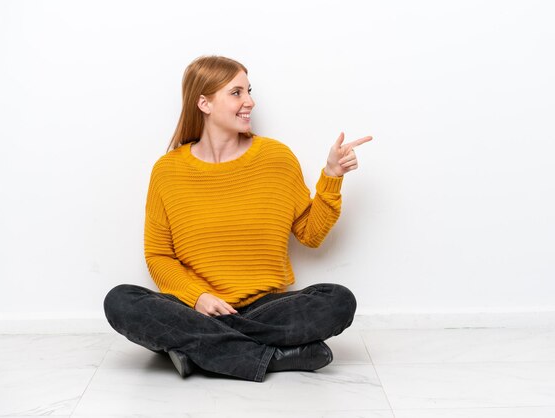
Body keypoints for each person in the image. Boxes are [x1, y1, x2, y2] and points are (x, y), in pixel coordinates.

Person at [103, 55, 372, 382]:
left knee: (337, 300)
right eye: (236, 93)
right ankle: (272, 356)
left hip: (266, 308)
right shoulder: (168, 171)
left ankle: (197, 352)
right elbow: (158, 255)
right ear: (204, 102)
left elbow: (310, 235)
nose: (250, 102)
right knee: (121, 300)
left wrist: (331, 176)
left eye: (249, 91)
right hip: (196, 309)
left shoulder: (276, 158)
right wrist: (198, 298)